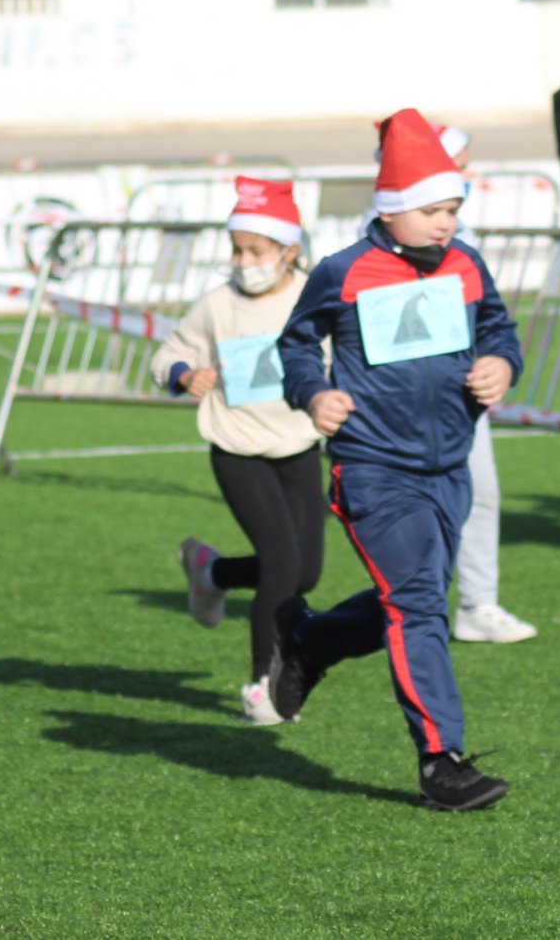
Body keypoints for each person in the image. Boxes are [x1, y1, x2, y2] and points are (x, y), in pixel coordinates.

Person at [272, 110, 525, 811]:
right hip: (374, 467)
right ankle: (441, 762)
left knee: (414, 599)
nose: (446, 223)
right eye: (432, 210)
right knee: (417, 605)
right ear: (391, 209)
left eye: (453, 209)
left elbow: (498, 328)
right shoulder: (343, 271)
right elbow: (295, 345)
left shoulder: (467, 264)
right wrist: (314, 392)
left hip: (452, 465)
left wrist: (501, 363)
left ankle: (310, 643)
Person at [161, 177, 329, 726]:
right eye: (237, 249)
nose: (244, 260)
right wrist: (185, 374)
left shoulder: (316, 296)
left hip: (298, 445)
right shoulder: (216, 304)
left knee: (305, 575)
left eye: (257, 250)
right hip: (236, 447)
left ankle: (212, 572)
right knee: (281, 561)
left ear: (290, 252)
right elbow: (167, 354)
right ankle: (265, 683)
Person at [430, 124, 538, 645]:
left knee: (482, 492)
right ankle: (406, 610)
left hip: (463, 396)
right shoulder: (372, 246)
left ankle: (477, 604)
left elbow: (494, 321)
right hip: (401, 405)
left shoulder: (463, 241)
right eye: (458, 165)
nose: (467, 177)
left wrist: (499, 360)